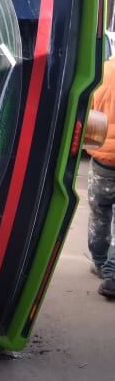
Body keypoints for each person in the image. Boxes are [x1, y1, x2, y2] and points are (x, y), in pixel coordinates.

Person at [86, 50, 115, 300]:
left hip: (102, 158)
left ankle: (99, 261)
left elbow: (90, 111)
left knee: (99, 213)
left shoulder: (102, 71)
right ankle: (113, 274)